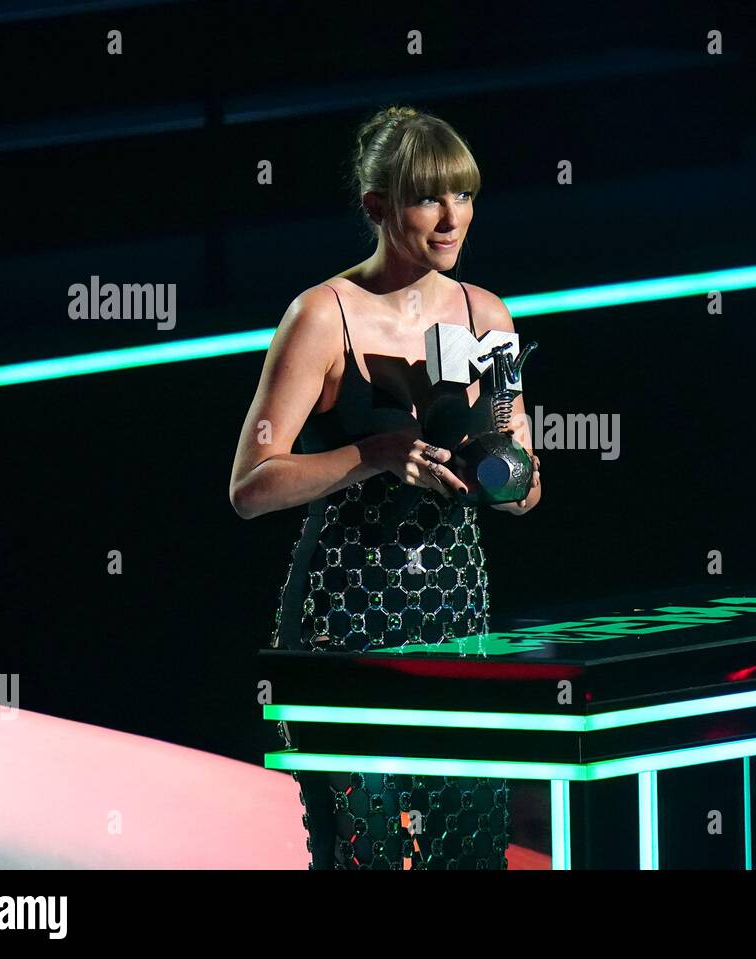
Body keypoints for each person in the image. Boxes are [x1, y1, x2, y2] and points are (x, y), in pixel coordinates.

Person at [229, 105, 541, 869]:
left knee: (467, 850)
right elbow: (250, 484)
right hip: (346, 621)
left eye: (463, 197)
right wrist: (372, 454)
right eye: (429, 198)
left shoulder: (486, 312)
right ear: (376, 207)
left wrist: (500, 468)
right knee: (363, 853)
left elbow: (527, 488)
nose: (450, 219)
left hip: (457, 617)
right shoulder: (321, 315)